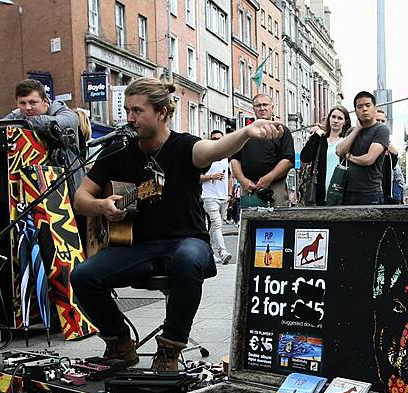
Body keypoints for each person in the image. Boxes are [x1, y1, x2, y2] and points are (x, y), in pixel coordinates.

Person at [70, 77, 284, 370]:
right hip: (138, 247)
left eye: (137, 111)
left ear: (161, 113)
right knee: (82, 276)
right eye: (126, 110)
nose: (130, 118)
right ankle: (119, 341)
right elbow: (81, 198)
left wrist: (246, 132)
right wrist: (101, 206)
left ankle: (170, 348)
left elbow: (215, 150)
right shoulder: (118, 150)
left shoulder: (183, 147)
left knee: (187, 258)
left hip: (187, 241)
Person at [230, 94, 295, 208]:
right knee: (249, 222)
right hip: (249, 187)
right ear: (253, 109)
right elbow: (235, 159)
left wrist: (268, 178)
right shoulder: (245, 132)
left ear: (272, 107)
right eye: (258, 105)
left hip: (275, 186)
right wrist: (243, 181)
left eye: (265, 105)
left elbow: (288, 160)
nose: (262, 108)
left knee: (277, 220)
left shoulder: (282, 131)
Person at [335, 91, 392, 205]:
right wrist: (357, 129)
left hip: (371, 192)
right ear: (355, 111)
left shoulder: (381, 130)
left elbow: (368, 159)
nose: (364, 109)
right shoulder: (352, 131)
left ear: (374, 108)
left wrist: (349, 157)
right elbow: (339, 151)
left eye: (368, 105)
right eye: (360, 107)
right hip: (348, 190)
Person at [299, 106, 351, 206]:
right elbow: (305, 157)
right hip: (320, 193)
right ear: (329, 118)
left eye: (340, 118)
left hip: (341, 192)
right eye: (333, 117)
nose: (336, 121)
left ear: (345, 122)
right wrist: (316, 135)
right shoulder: (320, 140)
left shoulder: (347, 141)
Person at [200, 130, 233, 265]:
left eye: (219, 139)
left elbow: (230, 176)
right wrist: (211, 177)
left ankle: (210, 253)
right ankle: (223, 252)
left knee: (213, 227)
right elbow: (196, 177)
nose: (216, 141)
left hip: (223, 197)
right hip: (208, 196)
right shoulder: (205, 157)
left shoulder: (225, 157)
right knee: (216, 224)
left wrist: (230, 193)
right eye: (213, 138)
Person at [375, 109, 401, 204]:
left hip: (386, 193)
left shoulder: (389, 148)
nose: (380, 123)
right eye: (377, 120)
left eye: (383, 121)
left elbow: (393, 159)